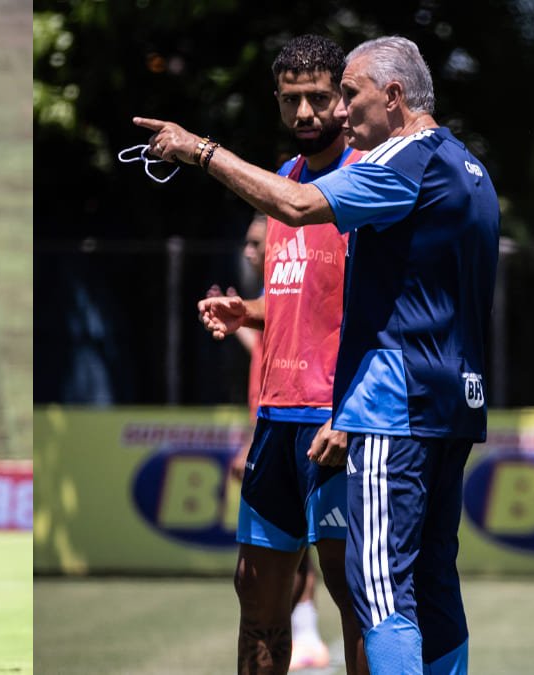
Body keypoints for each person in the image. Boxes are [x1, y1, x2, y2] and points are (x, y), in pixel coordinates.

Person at [175, 36, 499, 675]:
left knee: (374, 595)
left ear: (393, 97)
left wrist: (199, 150)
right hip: (374, 408)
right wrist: (253, 310)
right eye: (293, 99)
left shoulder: (388, 171)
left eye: (339, 96)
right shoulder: (462, 166)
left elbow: (307, 221)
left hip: (369, 411)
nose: (330, 113)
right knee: (414, 582)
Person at [189, 35, 365, 675]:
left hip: (336, 423)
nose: (305, 113)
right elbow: (298, 295)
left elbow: (378, 311)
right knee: (257, 596)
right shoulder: (284, 183)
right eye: (291, 100)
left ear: (344, 99)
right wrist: (249, 310)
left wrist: (351, 415)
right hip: (275, 420)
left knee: (356, 599)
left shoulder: (366, 181)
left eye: (318, 97)